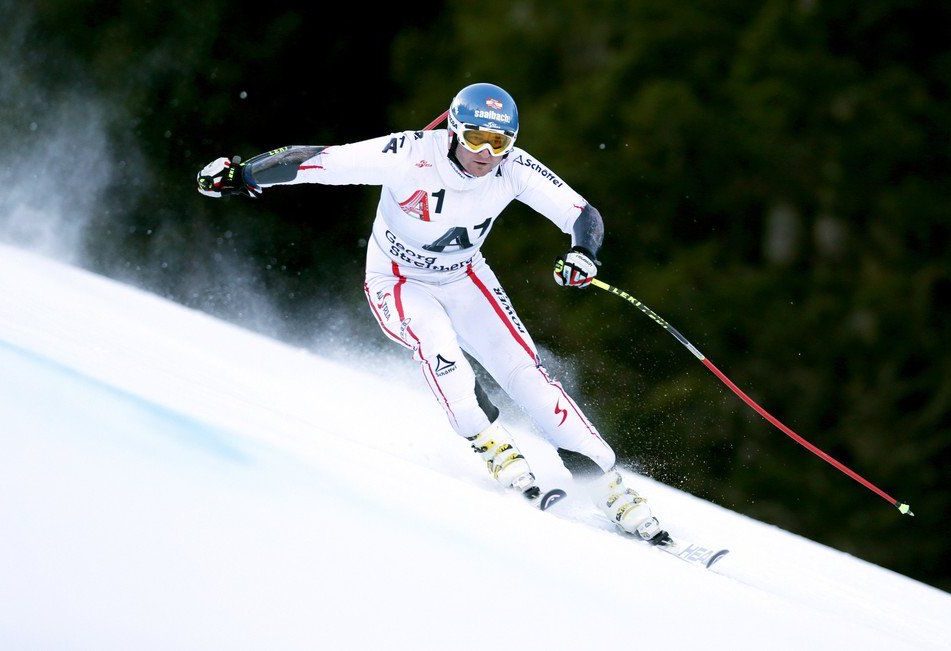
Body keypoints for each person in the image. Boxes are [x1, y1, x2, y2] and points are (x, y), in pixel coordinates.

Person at [197, 82, 668, 543]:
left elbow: (581, 213)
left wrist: (583, 253)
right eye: (475, 138)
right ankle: (491, 443)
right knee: (440, 348)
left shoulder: (513, 168)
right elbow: (319, 161)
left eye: (499, 141)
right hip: (397, 279)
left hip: (465, 277)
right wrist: (243, 174)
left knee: (527, 373)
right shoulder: (410, 153)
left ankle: (606, 484)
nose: (486, 153)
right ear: (454, 130)